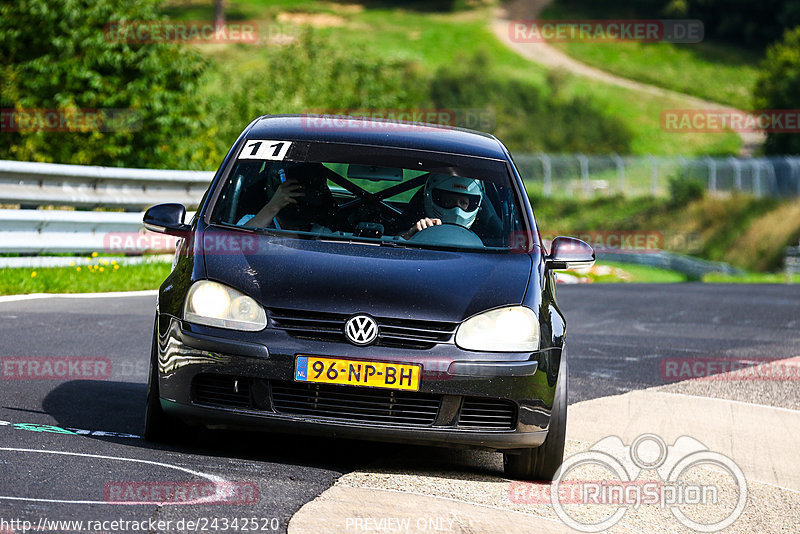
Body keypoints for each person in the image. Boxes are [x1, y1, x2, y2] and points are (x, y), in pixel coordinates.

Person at [240, 163, 342, 231]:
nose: (297, 199)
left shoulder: (321, 230)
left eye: (304, 190)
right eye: (289, 192)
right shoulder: (255, 221)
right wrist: (273, 207)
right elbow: (236, 244)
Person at [400, 173, 484, 240]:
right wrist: (410, 236)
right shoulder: (419, 228)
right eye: (449, 201)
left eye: (463, 203)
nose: (457, 211)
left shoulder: (486, 237)